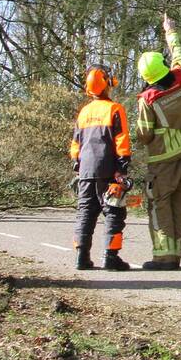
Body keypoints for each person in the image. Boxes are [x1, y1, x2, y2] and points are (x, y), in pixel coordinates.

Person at [135, 15, 181, 271]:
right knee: (180, 205)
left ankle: (164, 256)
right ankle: (177, 251)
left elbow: (145, 134)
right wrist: (170, 31)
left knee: (160, 204)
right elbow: (178, 54)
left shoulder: (148, 100)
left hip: (161, 160)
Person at [69, 64, 131, 271]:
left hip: (85, 170)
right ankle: (110, 257)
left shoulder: (84, 112)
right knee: (114, 212)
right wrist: (122, 166)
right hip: (109, 169)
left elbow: (76, 144)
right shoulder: (115, 109)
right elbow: (121, 139)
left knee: (85, 213)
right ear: (107, 84)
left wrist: (78, 165)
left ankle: (81, 257)